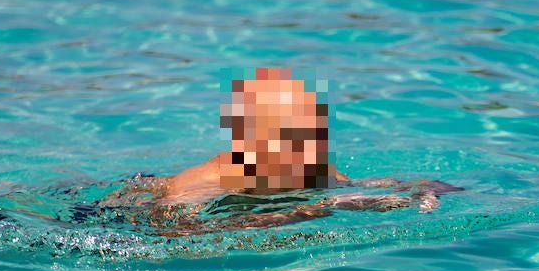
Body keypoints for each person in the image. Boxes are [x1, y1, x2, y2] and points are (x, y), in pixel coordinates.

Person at [99, 68, 457, 235]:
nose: (306, 154)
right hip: (125, 206)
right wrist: (294, 215)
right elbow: (170, 232)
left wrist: (422, 188)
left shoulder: (318, 169)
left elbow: (369, 187)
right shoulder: (212, 179)